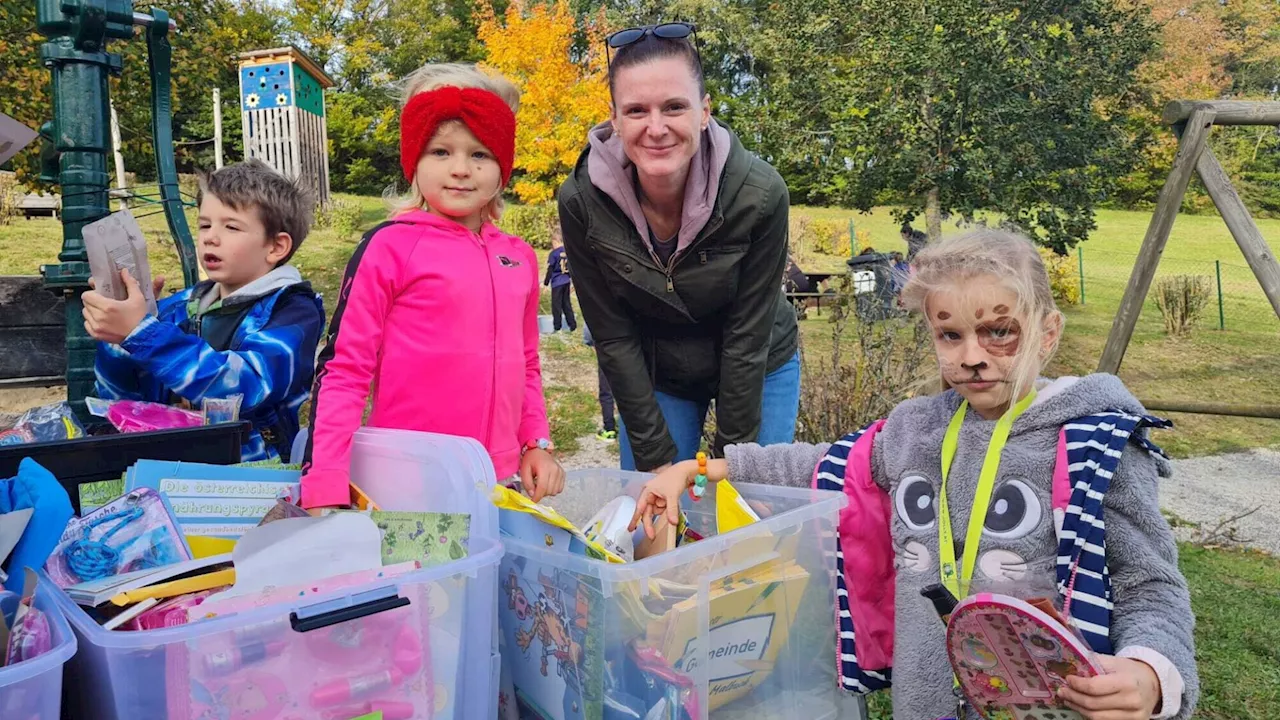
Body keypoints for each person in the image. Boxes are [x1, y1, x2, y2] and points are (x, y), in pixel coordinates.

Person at [631, 229, 1198, 720]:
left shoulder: (1097, 447)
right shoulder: (914, 430)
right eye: (950, 335)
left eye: (999, 331)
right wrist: (698, 467)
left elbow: (1148, 584)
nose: (972, 356)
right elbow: (825, 464)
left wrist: (1151, 673)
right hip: (923, 701)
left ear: (1047, 333)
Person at [299, 63, 564, 511]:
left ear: (502, 165)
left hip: (499, 483)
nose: (460, 169)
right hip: (409, 483)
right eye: (441, 152)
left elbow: (528, 364)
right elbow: (344, 370)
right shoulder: (389, 246)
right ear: (413, 160)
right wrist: (326, 480)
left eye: (479, 154)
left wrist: (534, 442)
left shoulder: (518, 256)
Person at [558, 21, 800, 473]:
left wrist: (733, 468)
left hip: (759, 361)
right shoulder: (581, 202)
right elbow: (612, 335)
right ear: (614, 118)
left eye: (674, 107)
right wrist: (658, 463)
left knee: (750, 512)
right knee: (655, 515)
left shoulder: (761, 193)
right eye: (635, 111)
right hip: (658, 369)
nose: (656, 128)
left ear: (704, 111)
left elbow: (747, 339)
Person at [87, 159, 324, 462]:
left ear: (276, 247)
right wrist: (119, 339)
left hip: (253, 478)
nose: (211, 236)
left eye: (231, 226)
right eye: (204, 224)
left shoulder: (292, 312)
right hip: (168, 466)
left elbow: (246, 386)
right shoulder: (178, 308)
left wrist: (143, 334)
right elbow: (119, 398)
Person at [582, 324, 617, 441]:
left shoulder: (600, 305)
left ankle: (609, 429)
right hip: (630, 350)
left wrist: (589, 342)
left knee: (606, 392)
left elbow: (588, 331)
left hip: (605, 350)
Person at [543, 229, 577, 332]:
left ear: (555, 241)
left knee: (556, 305)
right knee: (566, 303)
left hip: (557, 283)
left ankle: (557, 327)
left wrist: (545, 284)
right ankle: (572, 325)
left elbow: (550, 269)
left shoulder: (554, 254)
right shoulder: (568, 252)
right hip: (566, 281)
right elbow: (572, 268)